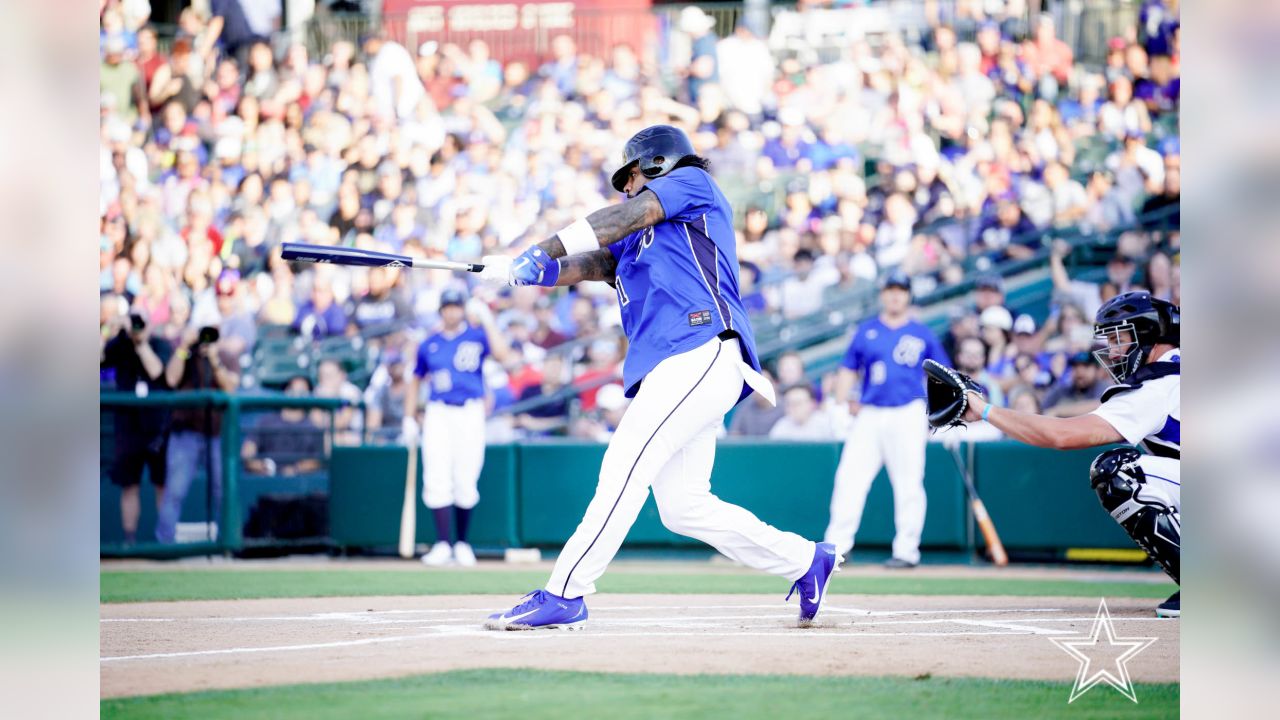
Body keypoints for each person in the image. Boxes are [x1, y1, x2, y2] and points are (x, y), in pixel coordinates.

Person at [477, 124, 839, 629]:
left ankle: (566, 592)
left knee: (623, 468)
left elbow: (627, 214)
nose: (627, 186)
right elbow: (592, 262)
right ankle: (804, 560)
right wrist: (524, 270)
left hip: (700, 348)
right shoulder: (638, 239)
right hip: (679, 367)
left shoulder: (692, 185)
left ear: (657, 164)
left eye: (632, 175)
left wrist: (544, 246)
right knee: (684, 506)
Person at [960, 291, 1180, 617]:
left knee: (1118, 471)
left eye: (1121, 338)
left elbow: (1061, 435)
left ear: (1151, 336)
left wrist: (985, 410)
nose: (1114, 350)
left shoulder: (1157, 385)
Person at [824, 271, 950, 569]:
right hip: (870, 412)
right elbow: (847, 370)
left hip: (907, 412)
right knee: (849, 479)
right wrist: (840, 405)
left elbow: (942, 375)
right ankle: (838, 547)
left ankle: (907, 551)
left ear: (908, 295)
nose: (895, 295)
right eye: (891, 290)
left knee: (908, 484)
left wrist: (942, 415)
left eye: (901, 290)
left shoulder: (922, 333)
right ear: (883, 294)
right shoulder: (867, 330)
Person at [403, 290, 514, 568]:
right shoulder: (429, 342)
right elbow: (415, 379)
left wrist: (487, 319)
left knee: (466, 474)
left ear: (463, 309)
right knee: (436, 475)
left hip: (470, 410)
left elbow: (503, 354)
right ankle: (443, 543)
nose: (452, 312)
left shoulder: (476, 335)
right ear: (441, 310)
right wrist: (408, 416)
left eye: (456, 307)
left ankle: (462, 543)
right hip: (438, 411)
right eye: (447, 307)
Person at [157, 325, 240, 543]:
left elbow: (231, 388)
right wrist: (184, 346)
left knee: (223, 491)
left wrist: (214, 359)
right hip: (186, 433)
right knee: (174, 491)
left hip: (216, 434)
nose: (205, 340)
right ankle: (165, 544)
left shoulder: (225, 356)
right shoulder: (186, 353)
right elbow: (171, 379)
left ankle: (227, 542)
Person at [101, 310, 172, 543]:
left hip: (157, 426)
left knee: (162, 484)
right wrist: (108, 330)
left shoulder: (160, 343)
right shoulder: (120, 344)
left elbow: (156, 371)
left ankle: (165, 539)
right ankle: (129, 541)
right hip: (128, 427)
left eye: (141, 323)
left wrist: (141, 343)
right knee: (129, 486)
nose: (137, 328)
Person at [241, 375, 325, 477]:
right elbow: (248, 451)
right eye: (293, 389)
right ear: (285, 391)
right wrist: (260, 466)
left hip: (301, 486)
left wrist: (294, 470)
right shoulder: (266, 421)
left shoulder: (313, 426)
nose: (297, 394)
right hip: (267, 484)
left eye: (303, 391)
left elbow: (316, 461)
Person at [1042, 352, 1110, 417]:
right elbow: (1043, 409)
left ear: (1097, 370)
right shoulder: (1063, 389)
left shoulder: (1104, 387)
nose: (1080, 372)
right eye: (1075, 366)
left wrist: (1058, 411)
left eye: (1086, 366)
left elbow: (1098, 405)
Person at [768, 384, 836, 441]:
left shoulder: (825, 423)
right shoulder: (781, 426)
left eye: (798, 403)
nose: (793, 407)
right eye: (789, 404)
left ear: (812, 404)